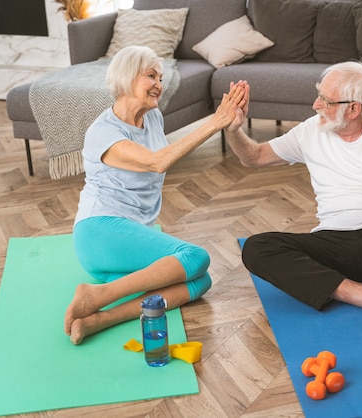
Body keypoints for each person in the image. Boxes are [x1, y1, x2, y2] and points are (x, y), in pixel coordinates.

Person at [224, 61, 362, 360]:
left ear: (353, 109)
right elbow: (254, 156)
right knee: (257, 248)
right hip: (335, 246)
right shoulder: (310, 131)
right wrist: (233, 130)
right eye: (319, 95)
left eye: (326, 101)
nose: (316, 105)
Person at [64, 46, 246, 344]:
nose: (159, 84)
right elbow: (157, 161)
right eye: (151, 76)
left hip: (127, 238)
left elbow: (166, 154)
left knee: (200, 281)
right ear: (126, 78)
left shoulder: (153, 119)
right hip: (100, 231)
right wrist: (214, 121)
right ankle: (98, 295)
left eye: (160, 77)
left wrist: (230, 124)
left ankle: (100, 318)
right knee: (195, 257)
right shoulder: (104, 132)